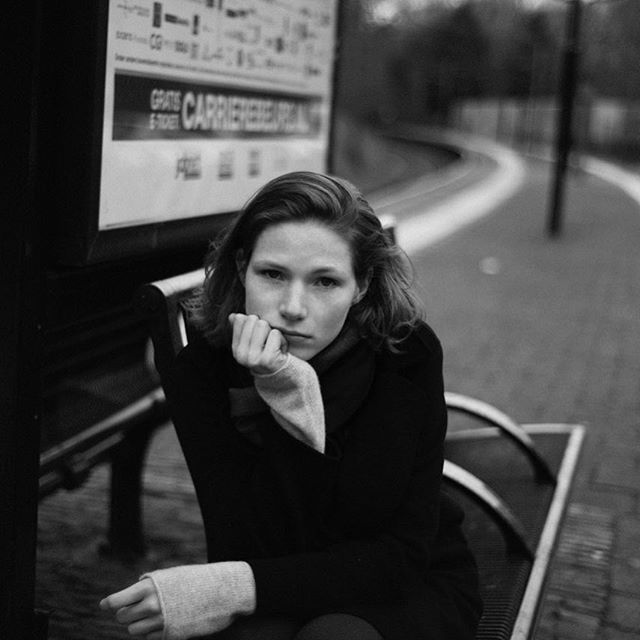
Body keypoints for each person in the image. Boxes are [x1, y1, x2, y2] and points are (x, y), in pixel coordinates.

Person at [100, 171, 482, 640]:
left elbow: (398, 555)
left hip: (410, 586)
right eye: (273, 274)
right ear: (242, 267)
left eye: (325, 281)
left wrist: (295, 398)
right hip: (283, 584)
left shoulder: (404, 355)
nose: (294, 307)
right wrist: (279, 395)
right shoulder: (205, 368)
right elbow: (246, 544)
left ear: (362, 285)